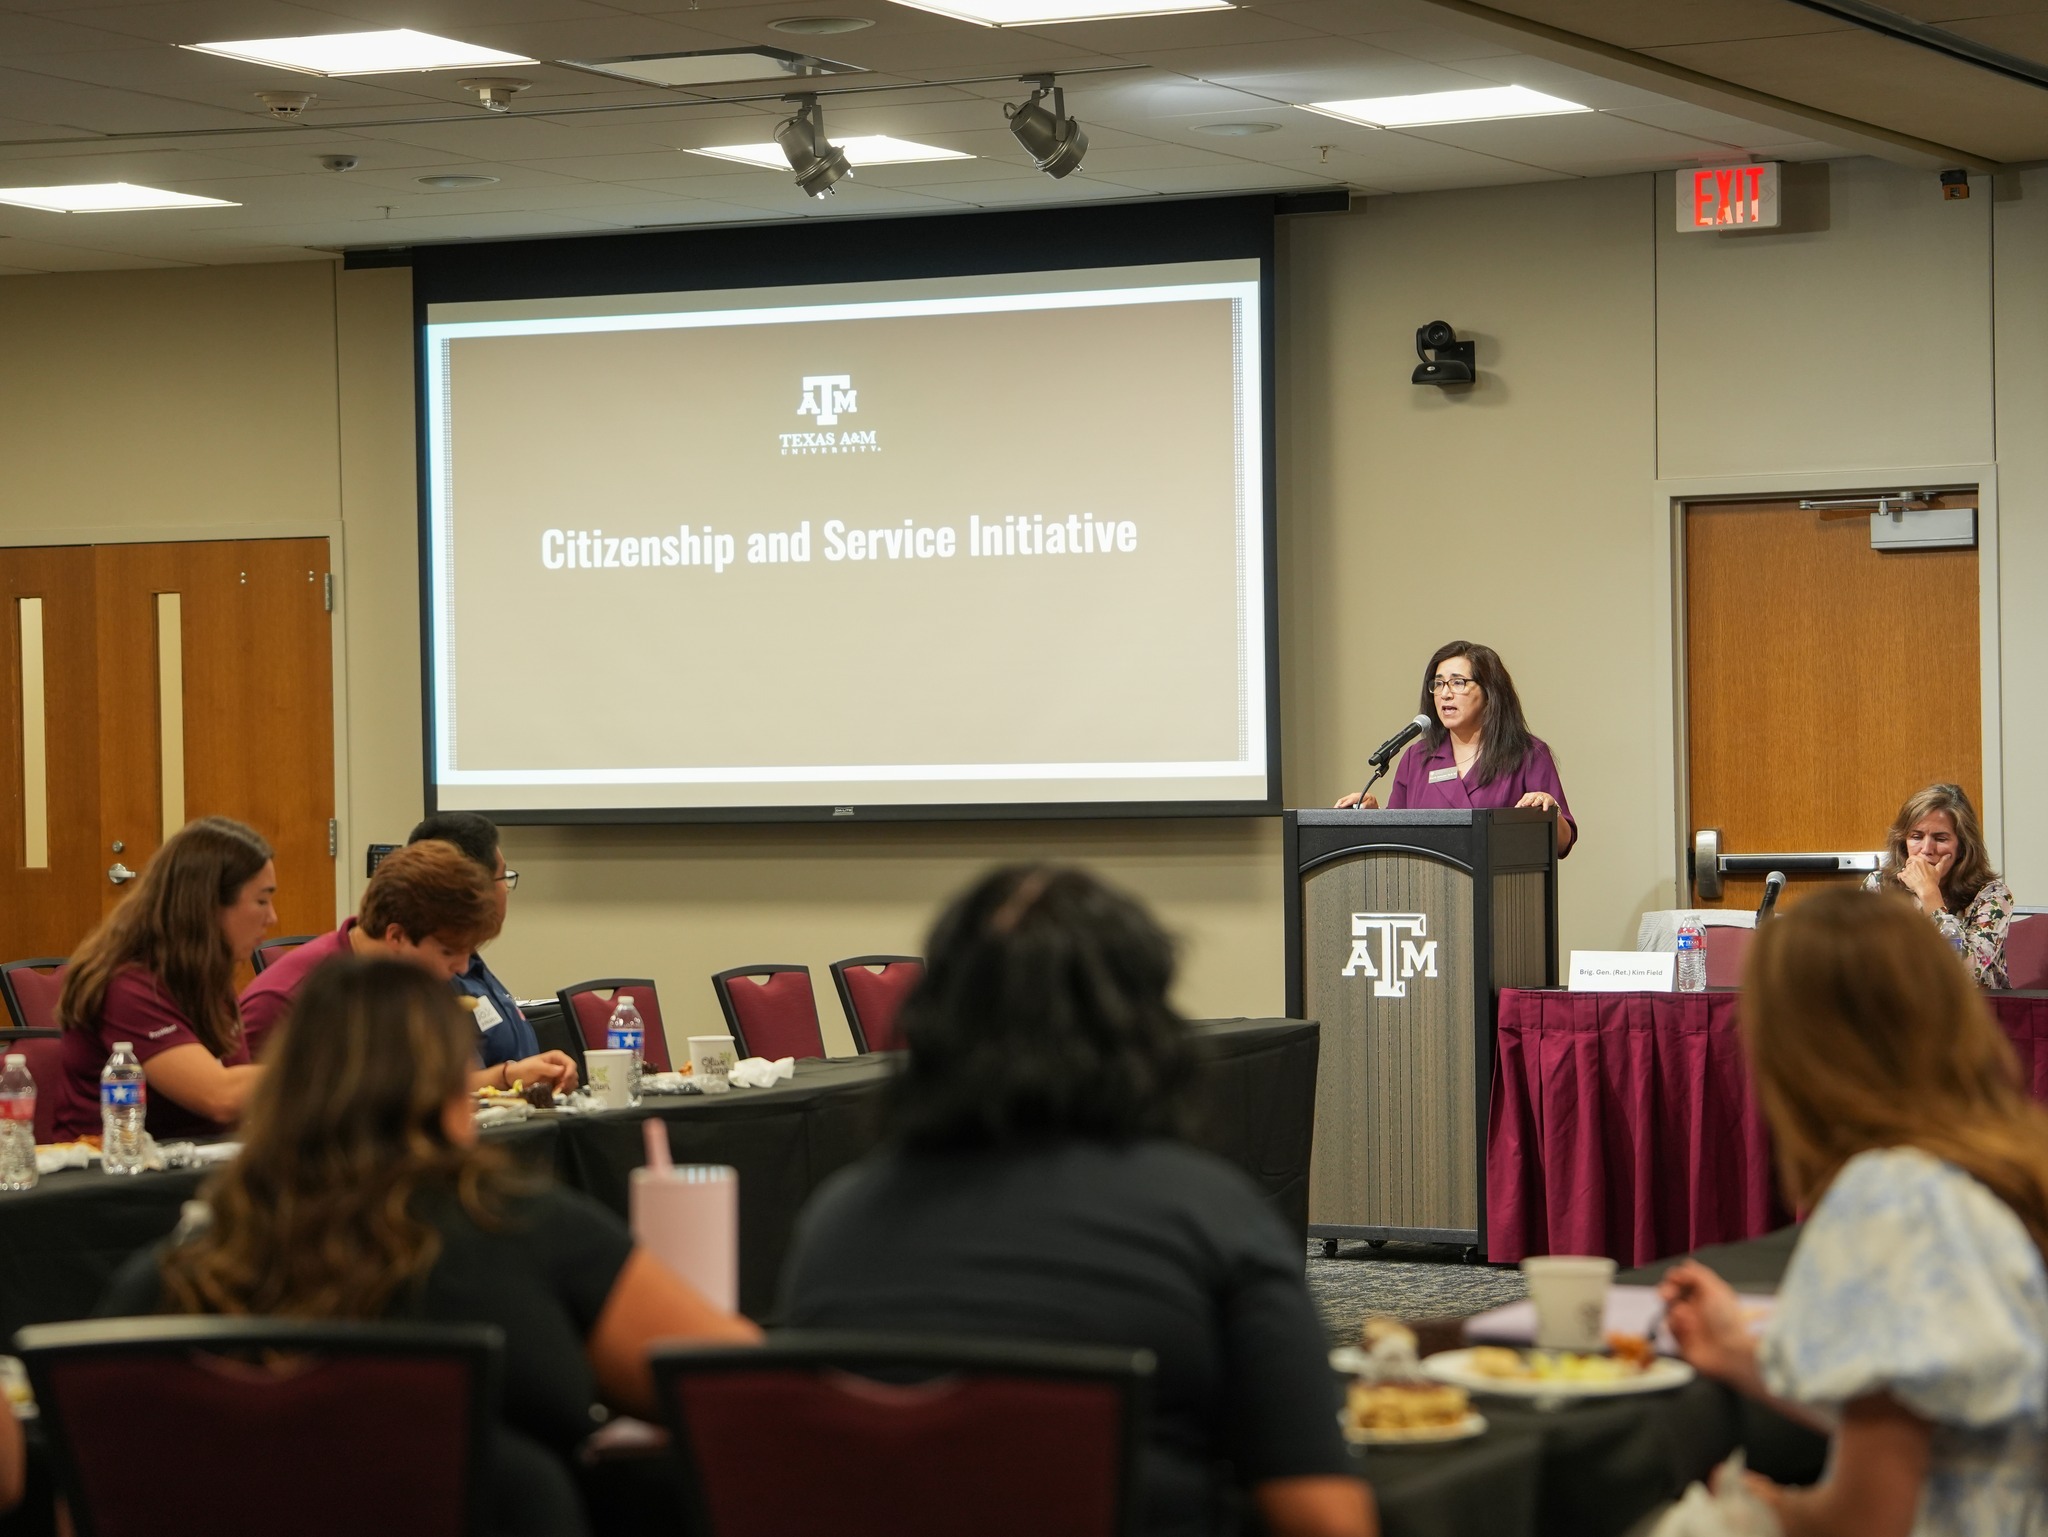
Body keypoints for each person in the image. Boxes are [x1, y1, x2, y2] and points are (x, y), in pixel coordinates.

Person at [779, 866, 1374, 1537]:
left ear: (934, 1020)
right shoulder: (1211, 1215)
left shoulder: (835, 1223)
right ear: (1141, 1027)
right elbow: (1325, 1518)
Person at [100, 958, 757, 1535]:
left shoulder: (168, 1278)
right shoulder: (524, 1229)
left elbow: (92, 1494)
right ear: (452, 1092)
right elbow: (750, 1396)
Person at [1660, 888, 2048, 1537]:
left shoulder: (1890, 1196)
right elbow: (1943, 1412)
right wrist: (1739, 1351)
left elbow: (1868, 1520)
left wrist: (1771, 1505)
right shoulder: (2003, 1166)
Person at [239, 842, 578, 1094]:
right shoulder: (286, 999)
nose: (461, 968)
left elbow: (424, 1089)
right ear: (397, 936)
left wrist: (510, 1075)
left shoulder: (403, 979)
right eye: (448, 951)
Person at [50, 817, 274, 1142]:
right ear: (208, 906)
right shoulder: (128, 986)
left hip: (189, 1165)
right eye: (261, 901)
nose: (272, 917)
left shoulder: (204, 973)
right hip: (113, 1179)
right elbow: (220, 1097)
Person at [1336, 640, 1575, 855]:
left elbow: (1562, 845)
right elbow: (1399, 835)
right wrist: (1372, 816)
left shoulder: (1528, 754)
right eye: (1438, 684)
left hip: (1503, 894)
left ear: (1490, 692)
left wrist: (1549, 812)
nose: (1445, 694)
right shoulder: (1417, 758)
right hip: (1429, 895)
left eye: (1458, 683)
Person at [408, 812, 543, 1070]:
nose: (506, 888)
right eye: (503, 877)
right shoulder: (430, 978)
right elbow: (449, 1088)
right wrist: (509, 1077)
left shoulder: (472, 963)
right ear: (474, 887)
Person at [1863, 782, 2012, 988]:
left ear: (1962, 847)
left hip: (1971, 1012)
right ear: (1903, 842)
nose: (1926, 849)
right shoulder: (1879, 886)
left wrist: (1930, 895)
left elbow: (1963, 974)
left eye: (1940, 838)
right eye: (1916, 837)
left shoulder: (1993, 895)